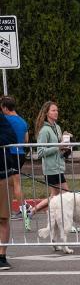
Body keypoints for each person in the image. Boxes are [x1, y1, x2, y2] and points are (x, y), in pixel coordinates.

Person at [33, 101, 71, 221]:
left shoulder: (57, 127)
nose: (56, 112)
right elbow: (40, 152)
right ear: (47, 113)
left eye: (57, 110)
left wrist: (65, 144)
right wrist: (58, 147)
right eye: (53, 110)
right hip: (50, 168)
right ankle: (65, 222)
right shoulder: (44, 130)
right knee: (65, 195)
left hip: (59, 166)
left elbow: (58, 147)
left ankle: (31, 212)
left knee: (55, 196)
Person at [1, 97, 28, 229]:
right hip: (21, 153)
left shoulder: (6, 120)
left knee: (14, 184)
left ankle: (24, 209)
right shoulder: (23, 121)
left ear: (5, 108)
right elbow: (26, 139)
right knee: (11, 184)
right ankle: (11, 210)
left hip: (11, 154)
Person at [0, 112, 17, 270]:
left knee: (3, 218)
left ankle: (2, 256)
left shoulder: (1, 118)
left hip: (2, 175)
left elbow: (11, 136)